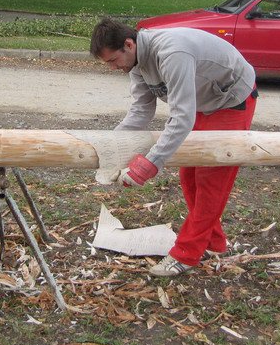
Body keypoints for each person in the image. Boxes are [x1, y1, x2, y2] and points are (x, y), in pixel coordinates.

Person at [90, 18, 257, 277]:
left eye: (113, 61)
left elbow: (181, 118)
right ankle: (214, 243)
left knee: (211, 181)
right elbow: (141, 112)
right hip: (201, 101)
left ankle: (187, 254)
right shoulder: (136, 63)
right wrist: (111, 146)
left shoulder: (171, 53)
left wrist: (150, 163)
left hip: (231, 100)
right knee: (188, 176)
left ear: (128, 44)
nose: (112, 68)